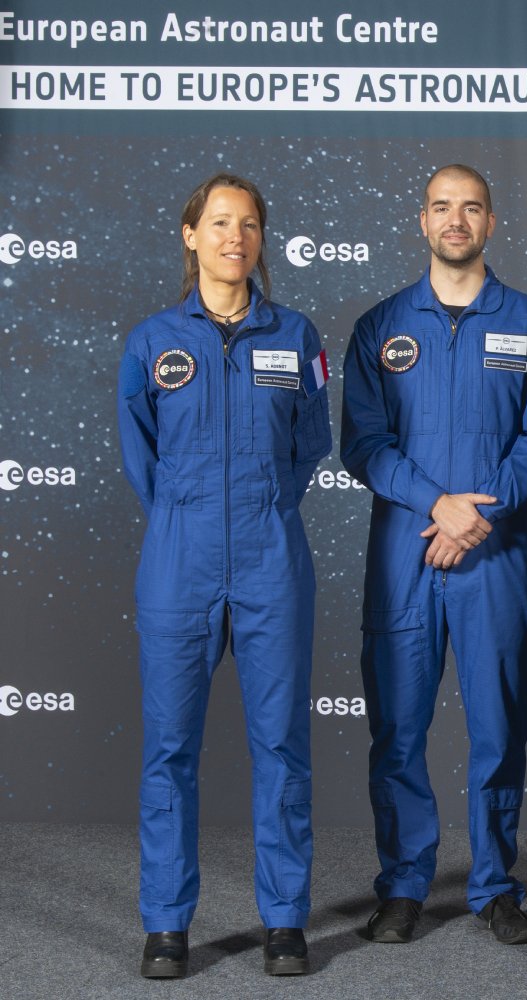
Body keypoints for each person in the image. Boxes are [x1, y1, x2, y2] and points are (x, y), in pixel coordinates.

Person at [341, 164, 527, 946]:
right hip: (407, 549)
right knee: (398, 728)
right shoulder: (379, 327)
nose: (457, 220)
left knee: (498, 727)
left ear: (492, 222)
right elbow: (362, 443)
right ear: (422, 221)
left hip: (496, 552)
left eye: (472, 207)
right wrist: (438, 505)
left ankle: (495, 885)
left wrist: (478, 511)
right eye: (442, 207)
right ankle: (403, 886)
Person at [118, 173, 332, 978]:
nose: (233, 237)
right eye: (218, 223)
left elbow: (311, 442)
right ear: (190, 235)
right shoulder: (151, 341)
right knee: (170, 747)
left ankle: (284, 919)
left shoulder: (296, 335)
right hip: (180, 557)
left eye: (247, 225)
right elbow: (141, 451)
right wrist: (184, 512)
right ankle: (167, 923)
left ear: (260, 241)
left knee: (281, 742)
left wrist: (265, 504)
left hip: (272, 555)